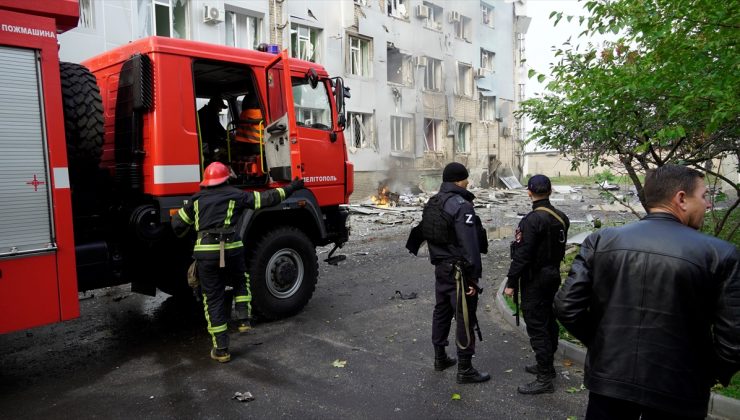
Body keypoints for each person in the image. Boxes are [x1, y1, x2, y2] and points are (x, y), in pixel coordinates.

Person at [554, 164, 740, 419]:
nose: (708, 205)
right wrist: (707, 373)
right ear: (681, 199)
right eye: (704, 196)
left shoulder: (600, 240)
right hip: (679, 391)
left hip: (610, 383)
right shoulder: (720, 253)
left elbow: (566, 307)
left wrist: (605, 347)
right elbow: (733, 337)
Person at [171, 162, 304, 362]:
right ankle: (243, 319)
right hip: (232, 250)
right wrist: (293, 187)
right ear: (226, 178)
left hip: (206, 255)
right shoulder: (236, 194)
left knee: (213, 299)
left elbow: (178, 225)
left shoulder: (196, 200)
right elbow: (267, 198)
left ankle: (221, 350)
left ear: (207, 181)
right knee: (241, 280)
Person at [425, 162, 490, 384]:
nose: (468, 182)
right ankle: (465, 368)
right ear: (458, 181)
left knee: (441, 311)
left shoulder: (433, 202)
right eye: (466, 179)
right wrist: (473, 275)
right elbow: (470, 243)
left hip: (441, 268)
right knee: (465, 316)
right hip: (459, 272)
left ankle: (440, 357)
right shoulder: (461, 206)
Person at [504, 174, 569, 395]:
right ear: (550, 191)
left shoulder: (532, 220)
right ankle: (547, 367)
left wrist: (511, 282)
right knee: (549, 320)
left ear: (529, 192)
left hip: (536, 278)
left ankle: (544, 377)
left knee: (537, 325)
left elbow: (523, 255)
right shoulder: (561, 217)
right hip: (552, 275)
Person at [197, 96, 228, 160]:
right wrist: (228, 136)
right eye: (220, 107)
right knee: (222, 150)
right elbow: (219, 129)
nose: (221, 110)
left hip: (205, 143)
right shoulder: (210, 114)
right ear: (215, 105)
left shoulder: (204, 111)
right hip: (206, 146)